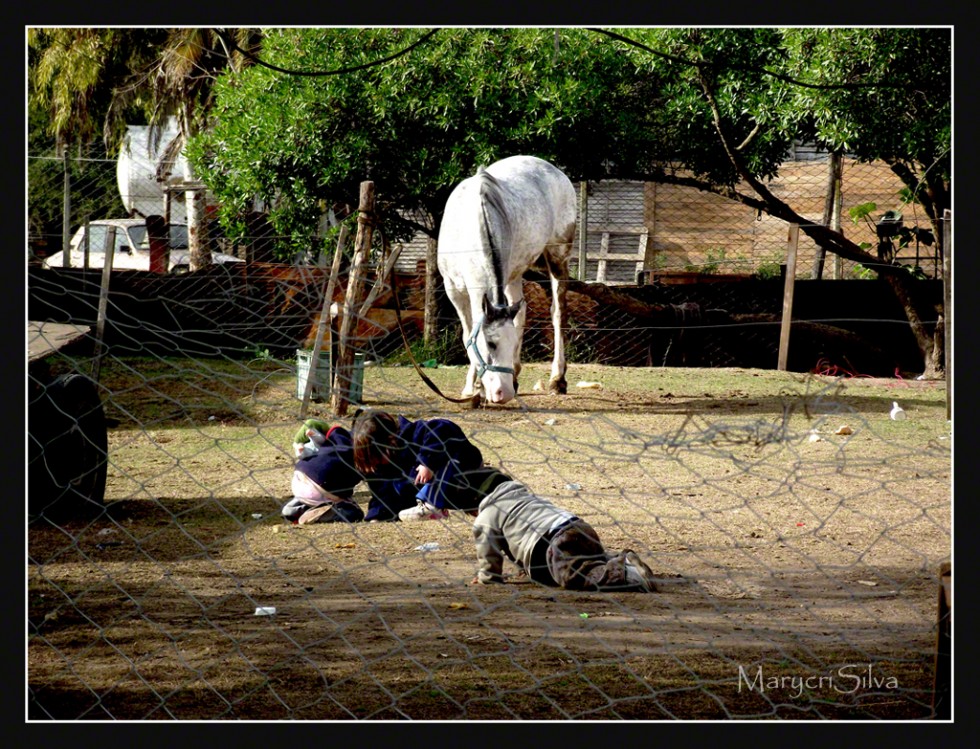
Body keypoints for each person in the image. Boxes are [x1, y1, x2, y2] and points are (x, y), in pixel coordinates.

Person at [469, 479, 660, 592]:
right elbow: (521, 533)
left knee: (574, 575)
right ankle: (619, 559)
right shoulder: (521, 496)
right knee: (590, 560)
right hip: (578, 527)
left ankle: (628, 574)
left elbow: (489, 553)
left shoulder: (485, 516)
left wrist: (487, 577)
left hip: (555, 542)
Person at [351, 408, 486, 522]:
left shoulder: (416, 434)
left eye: (378, 457)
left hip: (464, 471)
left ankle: (432, 506)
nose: (377, 464)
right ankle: (434, 507)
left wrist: (427, 462)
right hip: (447, 493)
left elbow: (444, 427)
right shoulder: (383, 468)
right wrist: (377, 516)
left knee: (449, 455)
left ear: (391, 441)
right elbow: (383, 496)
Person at [282, 420, 365, 524]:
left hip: (299, 478)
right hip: (319, 488)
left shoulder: (338, 435)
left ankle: (294, 508)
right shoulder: (366, 452)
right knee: (355, 512)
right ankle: (322, 514)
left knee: (323, 490)